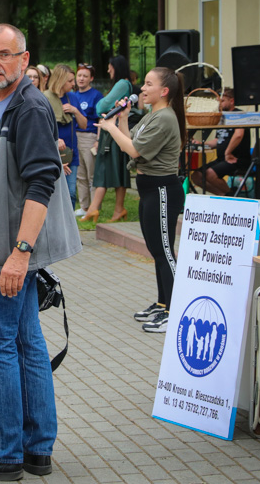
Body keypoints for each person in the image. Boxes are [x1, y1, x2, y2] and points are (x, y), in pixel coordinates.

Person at [0, 24, 81, 481]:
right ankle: (36, 448)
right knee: (26, 342)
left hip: (7, 250)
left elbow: (43, 181)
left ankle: (4, 453)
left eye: (5, 54)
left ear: (25, 60)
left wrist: (21, 252)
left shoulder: (29, 106)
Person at [97, 67, 187, 333]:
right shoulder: (152, 115)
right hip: (149, 189)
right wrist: (122, 120)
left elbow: (134, 150)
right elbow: (133, 140)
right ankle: (162, 303)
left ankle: (174, 310)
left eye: (148, 84)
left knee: (165, 252)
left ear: (164, 91)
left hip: (162, 190)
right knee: (156, 251)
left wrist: (110, 127)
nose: (142, 89)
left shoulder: (165, 118)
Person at [79, 56, 134, 223]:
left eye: (110, 67)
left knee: (105, 168)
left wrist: (101, 104)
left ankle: (96, 209)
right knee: (117, 169)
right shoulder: (125, 84)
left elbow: (101, 107)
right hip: (115, 130)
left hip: (112, 131)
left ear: (116, 67)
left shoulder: (121, 84)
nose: (108, 70)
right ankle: (116, 210)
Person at [190, 88, 251, 196]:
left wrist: (228, 152)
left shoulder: (239, 114)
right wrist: (202, 144)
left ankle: (231, 196)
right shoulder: (222, 117)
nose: (219, 104)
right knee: (196, 176)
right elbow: (218, 140)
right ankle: (223, 196)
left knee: (210, 174)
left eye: (222, 101)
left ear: (231, 101)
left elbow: (238, 134)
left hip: (236, 159)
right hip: (222, 159)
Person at [43, 64, 86, 209]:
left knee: (71, 192)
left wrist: (75, 111)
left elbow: (84, 124)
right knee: (53, 193)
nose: (73, 84)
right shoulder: (45, 98)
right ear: (60, 80)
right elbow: (41, 126)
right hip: (52, 153)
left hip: (70, 154)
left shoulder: (72, 97)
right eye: (70, 81)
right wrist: (56, 139)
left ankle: (71, 227)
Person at [72, 63, 104, 216]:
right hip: (74, 136)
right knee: (80, 174)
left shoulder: (96, 95)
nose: (81, 79)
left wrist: (98, 139)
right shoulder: (73, 95)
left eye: (85, 76)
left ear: (91, 78)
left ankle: (93, 207)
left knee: (91, 173)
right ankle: (84, 206)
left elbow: (100, 118)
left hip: (89, 136)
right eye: (79, 75)